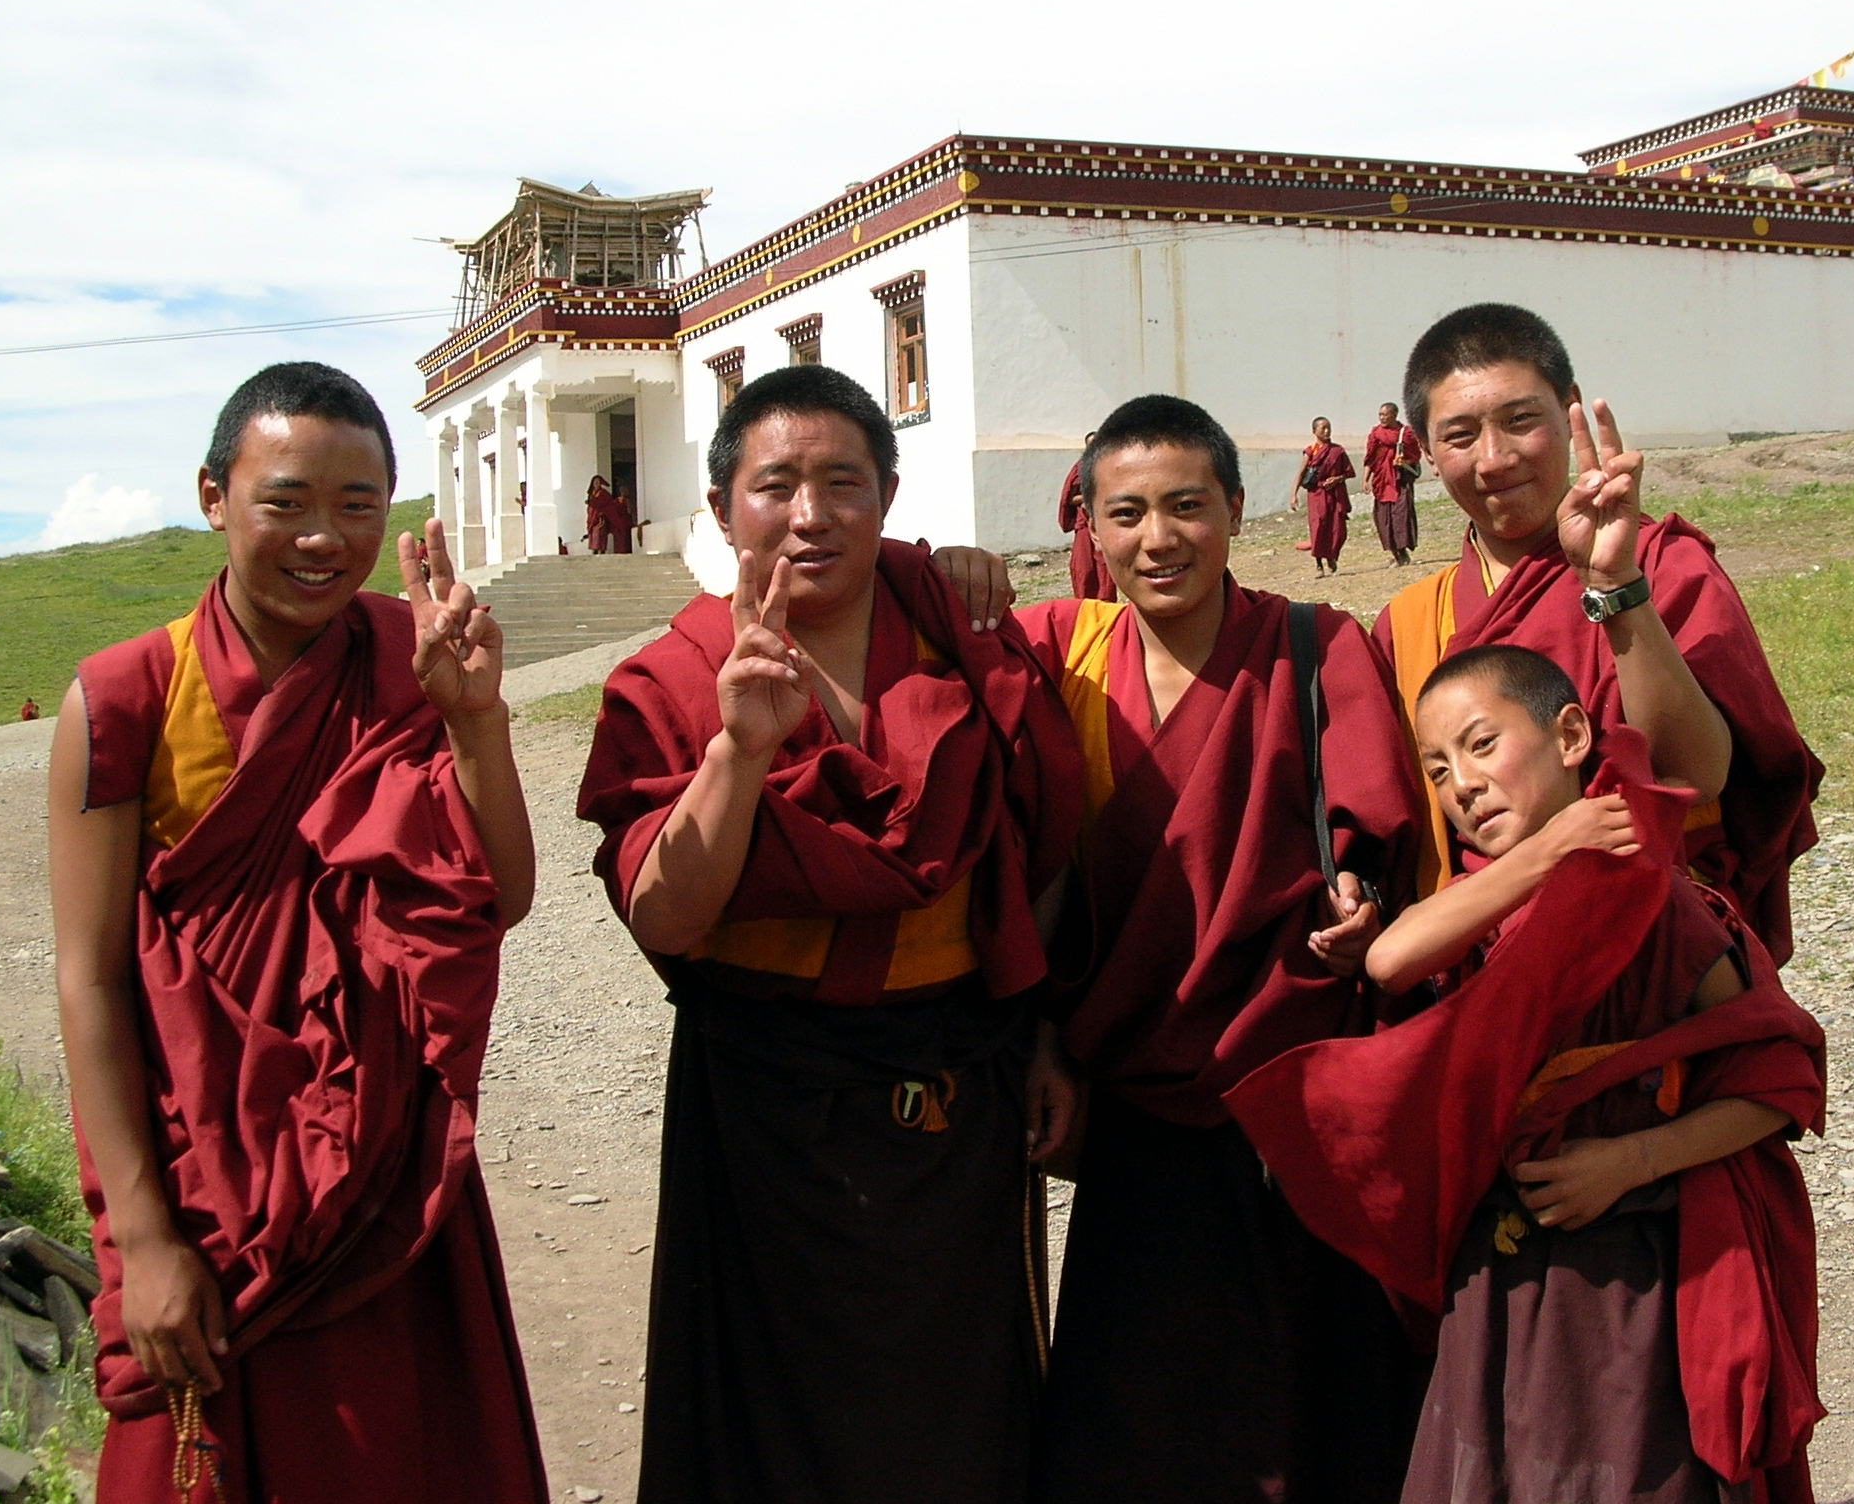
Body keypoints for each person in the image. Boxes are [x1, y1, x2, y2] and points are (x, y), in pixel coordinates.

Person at [576, 364, 1082, 1504]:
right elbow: (661, 912)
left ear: (889, 495)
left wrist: (1042, 1030)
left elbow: (1041, 845)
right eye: (775, 486)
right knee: (763, 1403)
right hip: (763, 1089)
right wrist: (737, 755)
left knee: (962, 1397)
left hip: (959, 1081)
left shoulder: (961, 632)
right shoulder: (672, 676)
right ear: (720, 511)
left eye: (842, 482)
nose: (810, 515)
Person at [49, 362, 547, 1504]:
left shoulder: (409, 661)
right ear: (215, 497)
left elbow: (500, 895)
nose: (322, 538)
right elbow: (90, 980)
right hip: (199, 1180)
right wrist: (143, 1239)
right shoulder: (123, 700)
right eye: (286, 502)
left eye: (358, 505)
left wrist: (474, 721)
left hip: (384, 1166)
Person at [1229, 644, 1825, 1504]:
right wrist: (1548, 855)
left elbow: (1779, 1081)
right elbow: (1392, 957)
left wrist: (1631, 1161)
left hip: (1634, 1273)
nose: (1460, 785)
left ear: (1573, 734)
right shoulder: (1493, 901)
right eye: (1435, 770)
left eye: (1480, 745)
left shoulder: (1656, 900)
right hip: (1504, 1273)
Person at [1015, 394, 1425, 1504]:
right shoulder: (1064, 656)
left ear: (1238, 511)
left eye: (1188, 506)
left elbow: (1369, 814)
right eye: (1129, 513)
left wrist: (1360, 890)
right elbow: (1034, 861)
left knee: (1310, 1377)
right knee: (1138, 1391)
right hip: (1136, 1092)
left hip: (1290, 1081)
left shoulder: (1310, 640)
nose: (1159, 539)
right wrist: (1044, 1036)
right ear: (1089, 530)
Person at [1375, 304, 1822, 960]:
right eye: (1461, 436)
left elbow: (1694, 775)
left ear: (1571, 408)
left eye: (1521, 420)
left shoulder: (1662, 565)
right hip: (1497, 972)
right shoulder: (1414, 621)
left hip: (1662, 961)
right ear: (1425, 450)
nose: (1495, 460)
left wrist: (1616, 587)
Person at [1057, 432, 1116, 601]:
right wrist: (1092, 496)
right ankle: (1085, 603)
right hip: (1084, 524)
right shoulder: (1080, 468)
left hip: (1105, 523)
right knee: (1084, 567)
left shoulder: (1110, 466)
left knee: (1104, 567)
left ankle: (1107, 602)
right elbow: (1069, 498)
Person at [1290, 416, 1353, 576]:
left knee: (1337, 529)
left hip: (1334, 494)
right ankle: (1319, 564)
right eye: (1323, 428)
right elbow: (1301, 473)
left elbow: (1349, 472)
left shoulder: (1337, 451)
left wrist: (1337, 479)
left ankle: (1331, 557)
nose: (1326, 431)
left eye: (1328, 427)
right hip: (1316, 494)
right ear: (1314, 431)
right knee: (1318, 527)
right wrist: (1294, 495)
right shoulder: (1310, 451)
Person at [1363, 402, 1421, 566]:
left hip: (1399, 481)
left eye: (1385, 414)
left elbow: (1415, 456)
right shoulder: (1376, 433)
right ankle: (1395, 554)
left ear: (1394, 415)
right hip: (1382, 482)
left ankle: (1403, 552)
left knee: (1401, 516)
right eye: (1380, 414)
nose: (1381, 418)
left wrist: (1403, 461)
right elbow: (1370, 458)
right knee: (1383, 518)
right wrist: (1365, 479)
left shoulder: (1406, 434)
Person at [585, 473, 635, 554]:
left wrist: (603, 512)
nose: (596, 484)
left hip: (601, 519)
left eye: (598, 482)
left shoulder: (604, 493)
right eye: (595, 482)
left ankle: (601, 550)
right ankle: (594, 550)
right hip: (593, 518)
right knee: (594, 535)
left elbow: (610, 505)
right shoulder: (591, 494)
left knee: (600, 535)